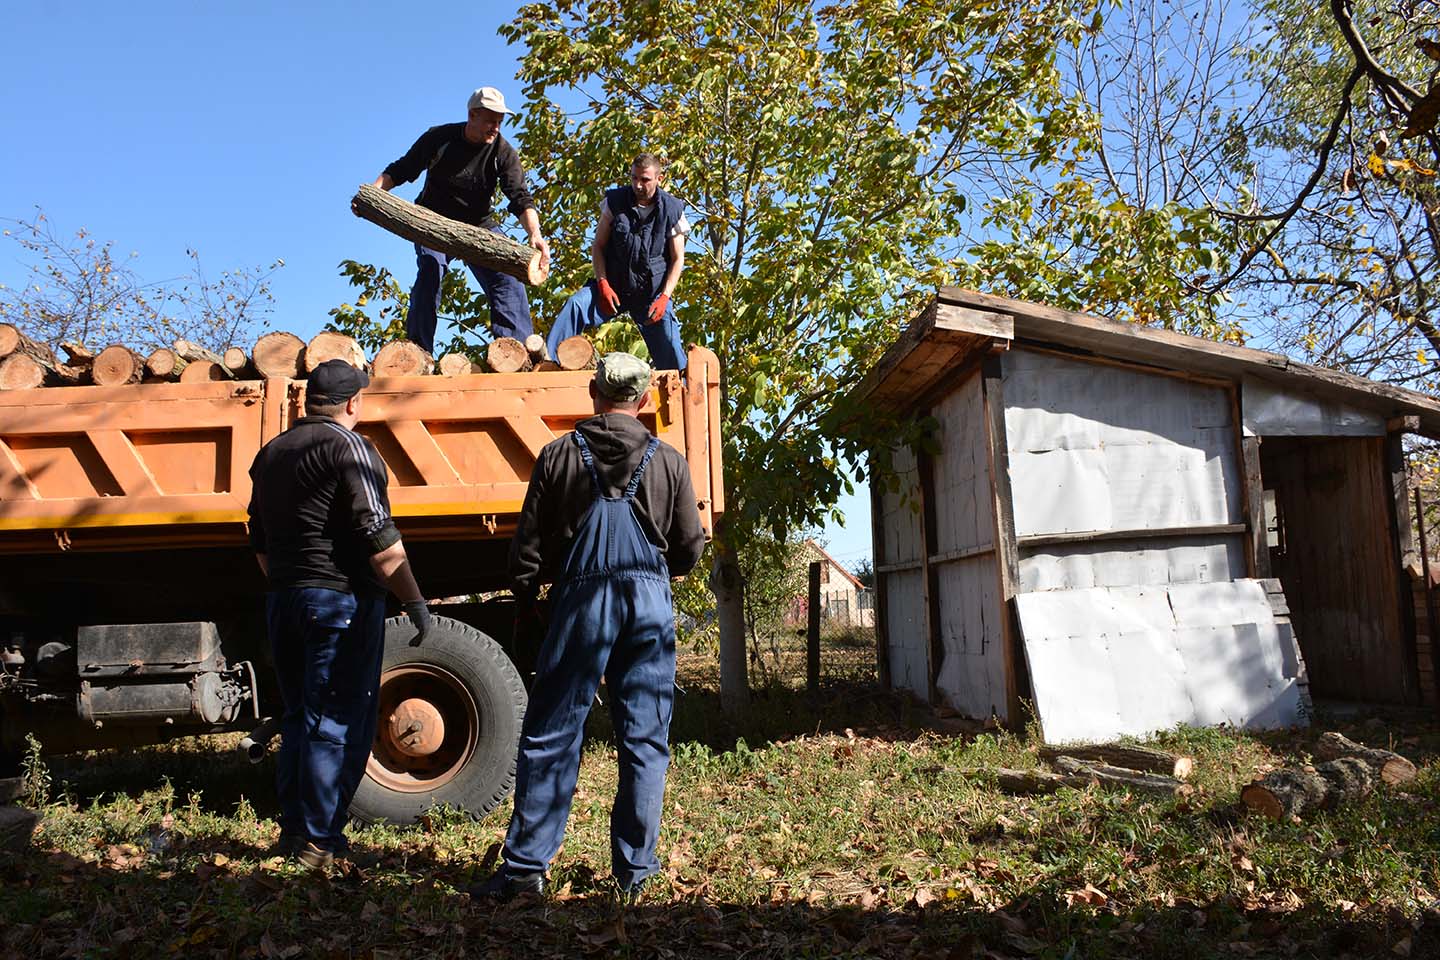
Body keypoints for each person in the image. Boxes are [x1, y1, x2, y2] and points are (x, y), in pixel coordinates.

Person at [472, 352, 705, 902]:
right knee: (645, 738)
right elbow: (690, 548)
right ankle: (635, 877)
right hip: (647, 603)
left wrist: (531, 599)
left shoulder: (557, 456)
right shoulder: (668, 461)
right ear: (645, 400)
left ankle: (527, 871)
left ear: (592, 394)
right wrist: (651, 575)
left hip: (582, 600)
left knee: (553, 732)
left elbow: (525, 551)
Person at [247, 359, 433, 870]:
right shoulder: (350, 447)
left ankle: (296, 833)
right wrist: (414, 600)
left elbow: (259, 541)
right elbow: (378, 536)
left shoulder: (271, 453)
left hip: (284, 599)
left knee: (299, 717)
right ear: (353, 403)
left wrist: (291, 585)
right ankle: (320, 844)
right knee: (336, 720)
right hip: (341, 601)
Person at [371, 86, 552, 353]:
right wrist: (374, 194)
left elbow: (520, 197)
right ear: (472, 115)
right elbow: (403, 168)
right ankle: (418, 351)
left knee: (508, 279)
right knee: (431, 269)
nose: (496, 128)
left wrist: (535, 234)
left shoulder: (503, 152)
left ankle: (514, 352)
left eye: (500, 122)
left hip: (479, 225)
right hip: (432, 221)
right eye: (491, 120)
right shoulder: (439, 138)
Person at [545, 154, 688, 373]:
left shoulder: (673, 210)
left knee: (669, 338)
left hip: (651, 295)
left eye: (645, 180)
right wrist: (602, 284)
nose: (638, 185)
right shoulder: (615, 202)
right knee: (576, 305)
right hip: (613, 289)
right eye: (634, 178)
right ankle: (549, 366)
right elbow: (598, 246)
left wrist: (665, 297)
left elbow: (678, 259)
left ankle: (682, 388)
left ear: (660, 178)